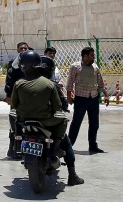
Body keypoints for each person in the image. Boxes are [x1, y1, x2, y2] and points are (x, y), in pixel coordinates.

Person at [11, 51, 68, 169]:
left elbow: (14, 106)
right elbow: (57, 107)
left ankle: (17, 140)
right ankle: (56, 146)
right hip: (45, 121)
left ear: (22, 66)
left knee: (12, 115)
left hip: (24, 120)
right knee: (63, 120)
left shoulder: (18, 83)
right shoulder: (49, 84)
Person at [39, 55, 84, 186]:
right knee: (66, 143)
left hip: (29, 122)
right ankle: (72, 175)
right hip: (48, 123)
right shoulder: (52, 86)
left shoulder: (22, 83)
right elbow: (63, 104)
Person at [66, 46, 108, 154]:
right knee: (76, 123)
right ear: (85, 56)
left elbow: (100, 81)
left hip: (93, 99)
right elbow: (70, 82)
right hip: (81, 99)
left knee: (94, 123)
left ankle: (93, 145)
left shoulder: (95, 66)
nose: (94, 57)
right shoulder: (75, 66)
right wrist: (69, 95)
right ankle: (68, 146)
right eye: (91, 55)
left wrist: (106, 94)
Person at [5, 42, 30, 159]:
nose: (24, 49)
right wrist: (8, 95)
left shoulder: (32, 61)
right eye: (21, 48)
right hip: (17, 97)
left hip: (30, 96)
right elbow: (9, 80)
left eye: (25, 48)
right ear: (17, 50)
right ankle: (14, 148)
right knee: (15, 122)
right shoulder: (13, 64)